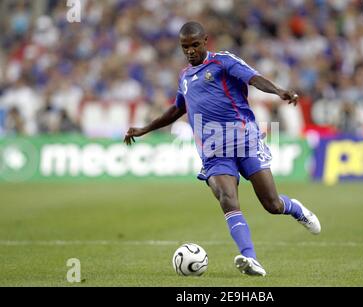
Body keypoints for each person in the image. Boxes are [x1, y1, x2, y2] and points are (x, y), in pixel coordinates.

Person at [124, 22, 321, 276]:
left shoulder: (223, 62)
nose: (191, 51)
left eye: (195, 45)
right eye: (185, 47)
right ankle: (250, 258)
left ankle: (297, 210)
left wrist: (278, 91)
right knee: (227, 199)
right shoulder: (185, 76)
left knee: (271, 203)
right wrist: (144, 129)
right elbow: (177, 109)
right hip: (213, 149)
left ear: (206, 41)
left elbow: (253, 77)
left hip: (245, 140)